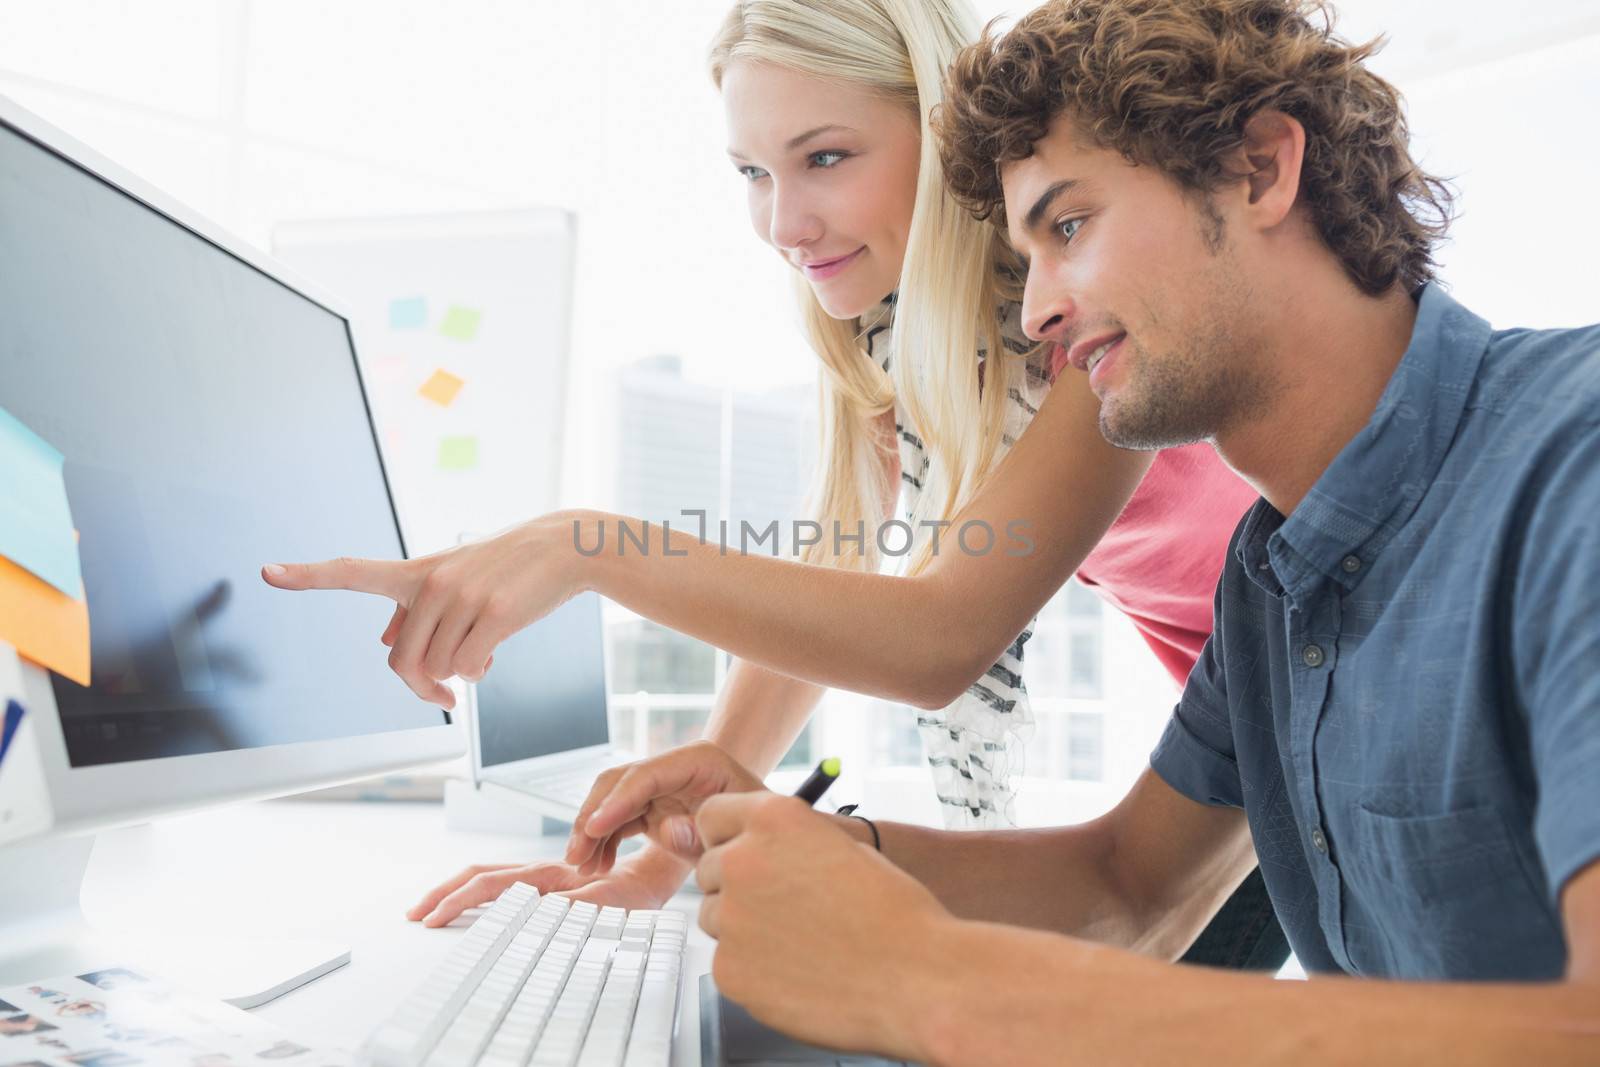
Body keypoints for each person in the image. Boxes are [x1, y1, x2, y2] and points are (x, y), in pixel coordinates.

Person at [551, 0, 1600, 1059]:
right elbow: (1124, 886)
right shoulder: (1269, 584)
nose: (1037, 311)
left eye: (1066, 226)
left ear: (1259, 170)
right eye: (1022, 253)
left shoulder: (1574, 462)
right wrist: (791, 844)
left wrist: (934, 980)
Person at [262, 0, 1282, 966]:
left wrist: (582, 546)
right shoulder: (889, 339)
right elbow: (825, 594)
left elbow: (935, 639)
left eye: (825, 158)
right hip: (1239, 706)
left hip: (1316, 688)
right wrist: (659, 852)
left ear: (944, 135)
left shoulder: (1086, 311)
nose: (783, 221)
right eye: (751, 170)